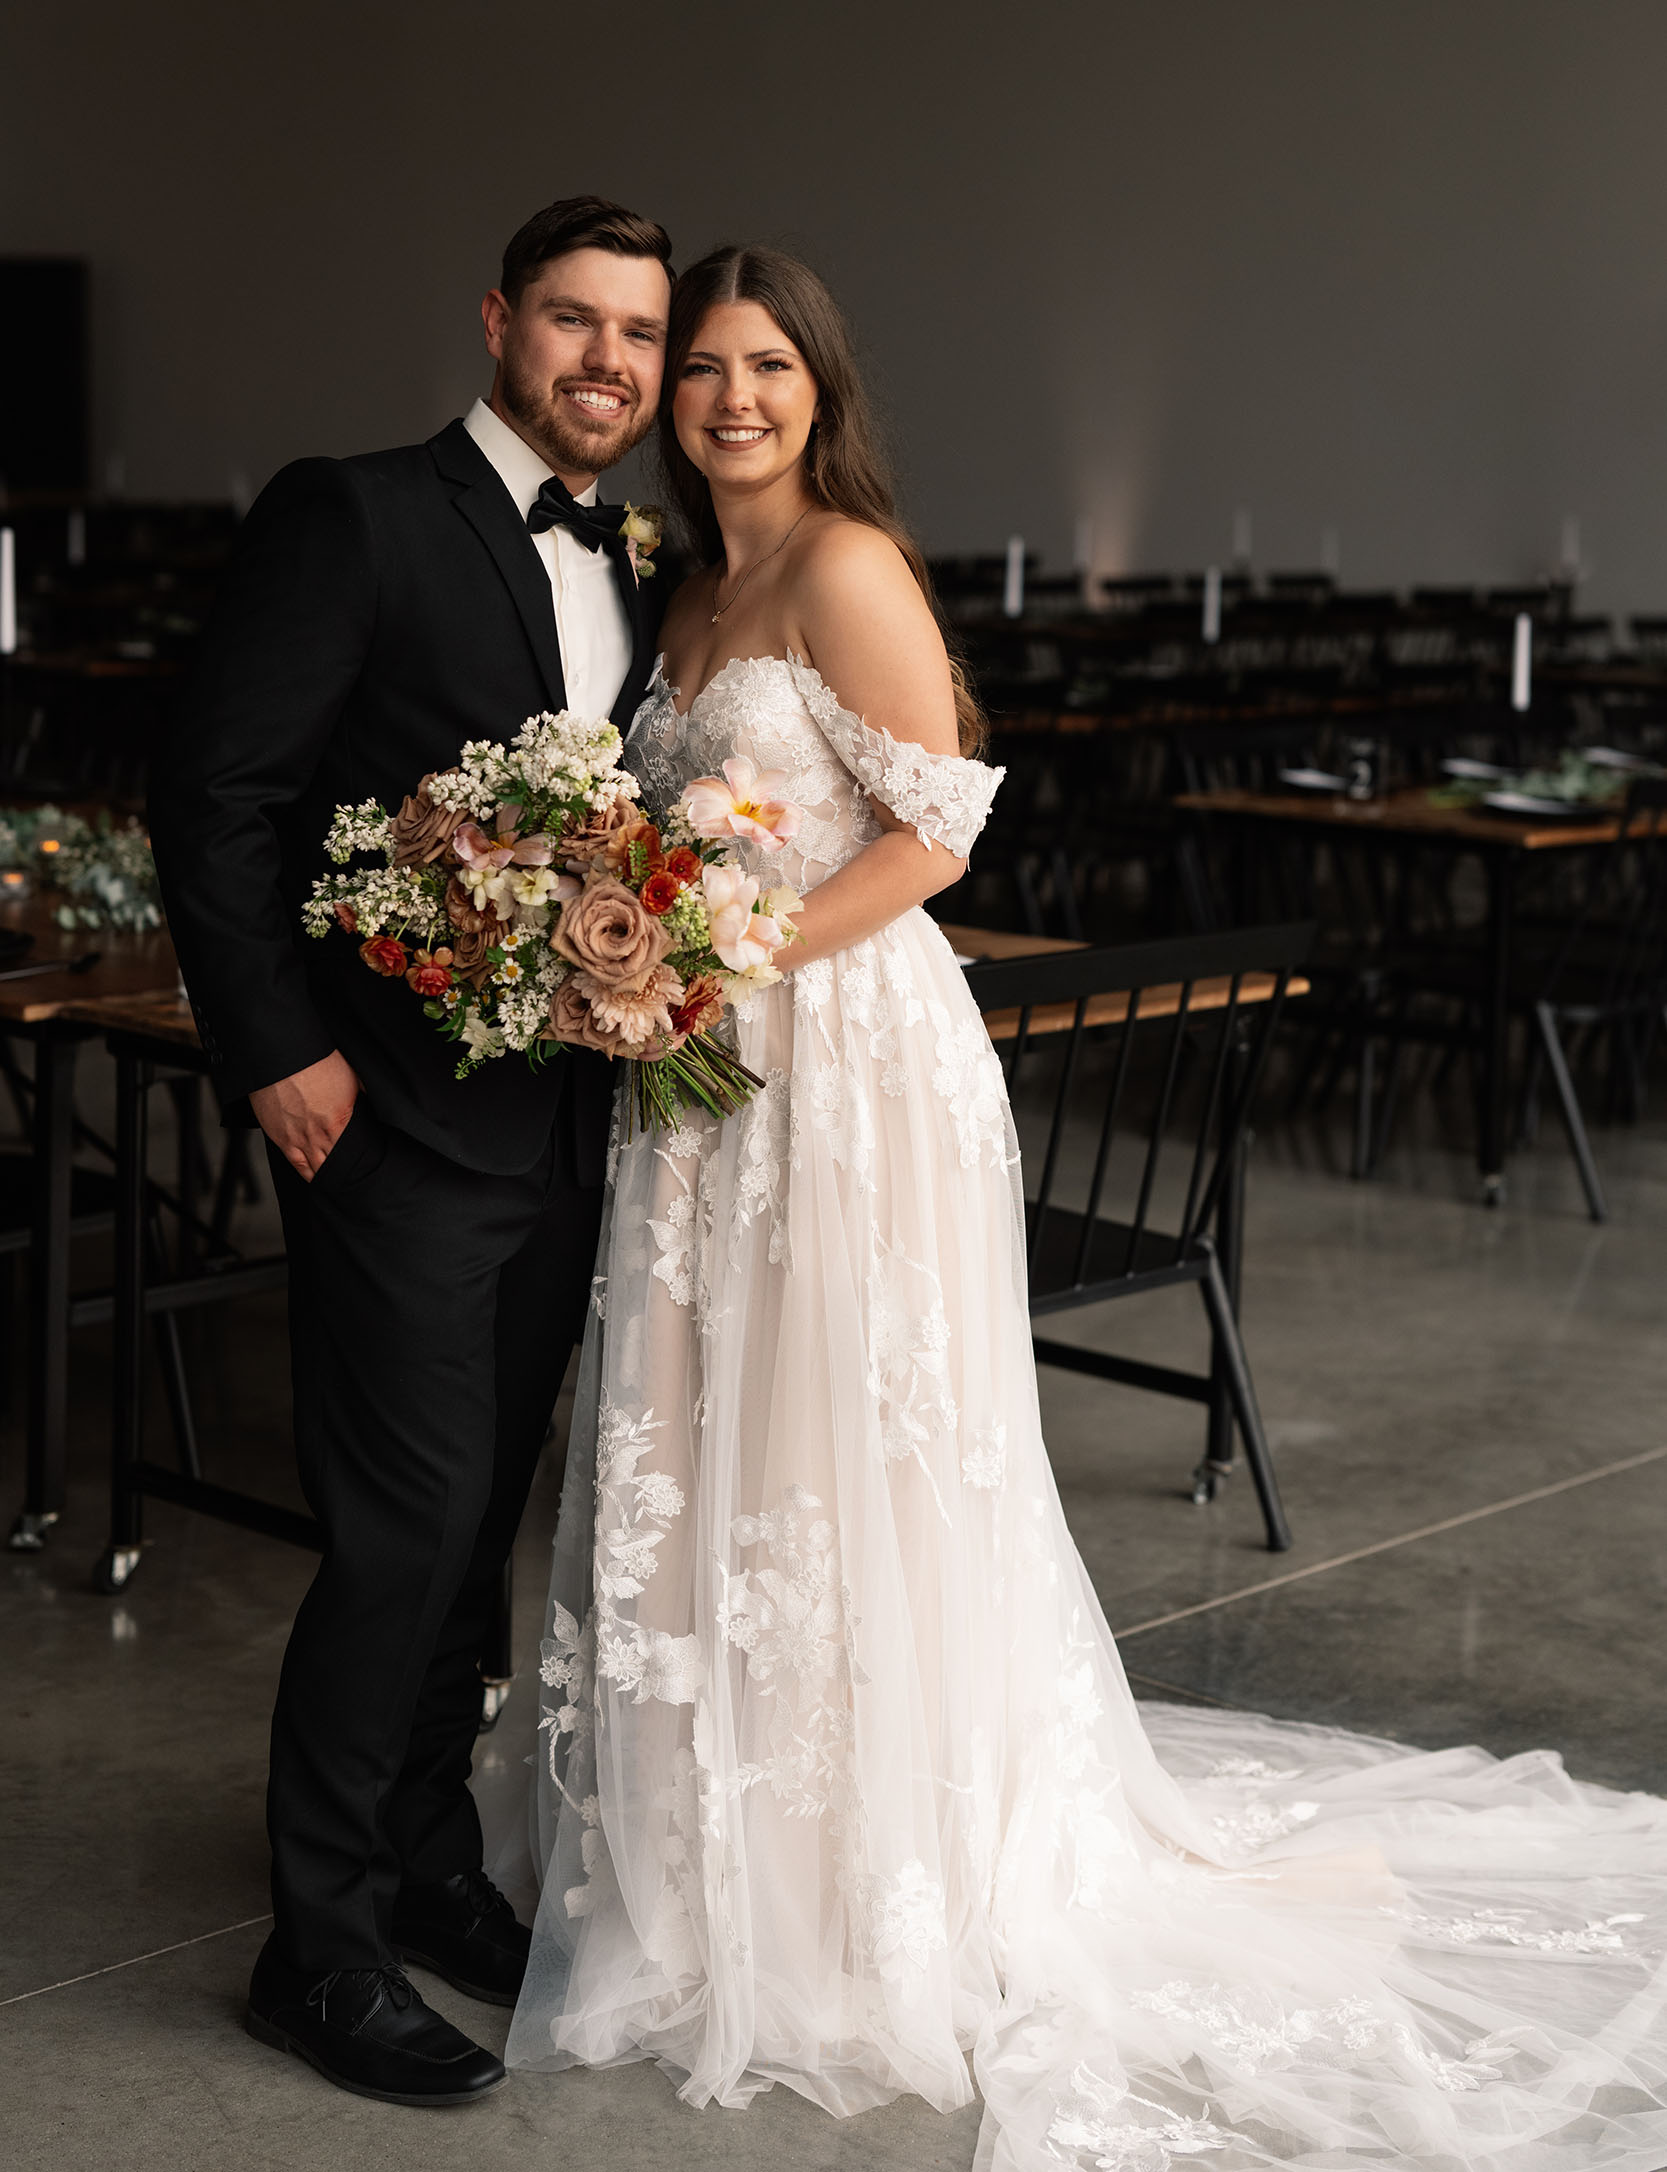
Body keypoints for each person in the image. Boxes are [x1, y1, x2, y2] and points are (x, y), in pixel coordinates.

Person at [505, 244, 1667, 2166]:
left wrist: (733, 951)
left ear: (820, 386)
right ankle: (716, 1852)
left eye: (763, 364)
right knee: (712, 1447)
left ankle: (872, 1872)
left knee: (852, 1455)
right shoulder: (686, 587)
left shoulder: (849, 567)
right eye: (699, 366)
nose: (726, 398)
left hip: (849, 1072)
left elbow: (944, 829)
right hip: (705, 1089)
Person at [149, 193, 673, 2107]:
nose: (607, 360)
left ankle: (432, 1865)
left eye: (637, 329)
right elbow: (216, 790)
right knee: (397, 1538)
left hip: (564, 1129)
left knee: (475, 1541)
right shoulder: (355, 511)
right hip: (383, 1120)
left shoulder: (645, 550)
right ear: (496, 323)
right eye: (572, 320)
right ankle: (321, 1947)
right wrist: (278, 1058)